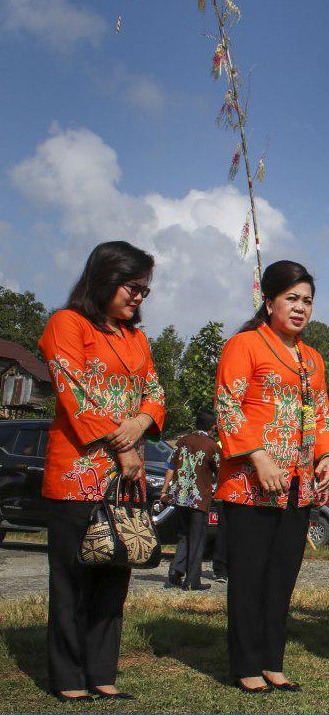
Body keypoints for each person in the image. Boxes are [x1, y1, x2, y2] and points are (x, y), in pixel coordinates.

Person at [39, 241, 166, 702]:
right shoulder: (66, 325)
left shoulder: (136, 337)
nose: (138, 298)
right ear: (103, 278)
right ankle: (69, 678)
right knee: (73, 579)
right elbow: (76, 395)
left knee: (115, 573)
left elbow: (155, 392)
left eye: (144, 291)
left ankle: (102, 674)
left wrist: (139, 424)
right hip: (77, 472)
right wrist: (124, 446)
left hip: (122, 481)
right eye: (132, 287)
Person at [215, 260, 329, 693]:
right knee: (249, 576)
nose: (301, 308)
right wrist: (259, 457)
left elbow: (320, 415)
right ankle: (246, 664)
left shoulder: (313, 358)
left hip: (298, 486)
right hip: (251, 484)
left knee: (282, 576)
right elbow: (228, 407)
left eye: (307, 300)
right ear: (269, 302)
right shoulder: (244, 345)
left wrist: (326, 455)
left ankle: (272, 660)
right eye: (292, 298)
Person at [160, 409, 221, 591]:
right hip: (199, 497)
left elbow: (171, 467)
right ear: (213, 427)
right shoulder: (211, 446)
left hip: (179, 496)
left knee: (184, 535)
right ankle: (192, 581)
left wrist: (165, 491)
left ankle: (176, 571)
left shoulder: (182, 441)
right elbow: (219, 471)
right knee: (197, 538)